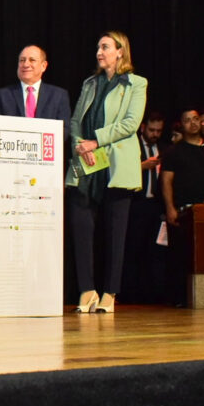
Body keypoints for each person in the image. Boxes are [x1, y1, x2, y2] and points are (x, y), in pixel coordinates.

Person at [65, 31, 147, 314]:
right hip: (87, 163)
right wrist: (80, 144)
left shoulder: (136, 83)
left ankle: (110, 292)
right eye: (98, 47)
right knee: (81, 228)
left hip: (116, 163)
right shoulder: (90, 83)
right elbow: (76, 119)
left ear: (120, 51)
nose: (99, 52)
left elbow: (130, 124)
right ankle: (87, 290)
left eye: (105, 47)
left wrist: (96, 140)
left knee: (115, 233)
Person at [160, 108, 204, 306]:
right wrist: (170, 207)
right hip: (183, 210)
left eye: (196, 119)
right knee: (180, 256)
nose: (193, 123)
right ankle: (180, 299)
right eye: (188, 120)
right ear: (181, 125)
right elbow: (166, 181)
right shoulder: (174, 151)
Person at [121, 110, 168, 304]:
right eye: (152, 129)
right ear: (143, 128)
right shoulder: (133, 145)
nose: (155, 134)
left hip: (156, 207)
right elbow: (120, 168)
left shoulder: (163, 148)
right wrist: (142, 166)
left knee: (154, 252)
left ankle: (153, 294)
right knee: (133, 250)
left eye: (158, 130)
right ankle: (130, 294)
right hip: (136, 204)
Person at [0, 44, 71, 135]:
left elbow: (64, 129)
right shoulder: (2, 95)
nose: (26, 64)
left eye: (32, 60)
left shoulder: (58, 95)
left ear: (43, 66)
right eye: (22, 60)